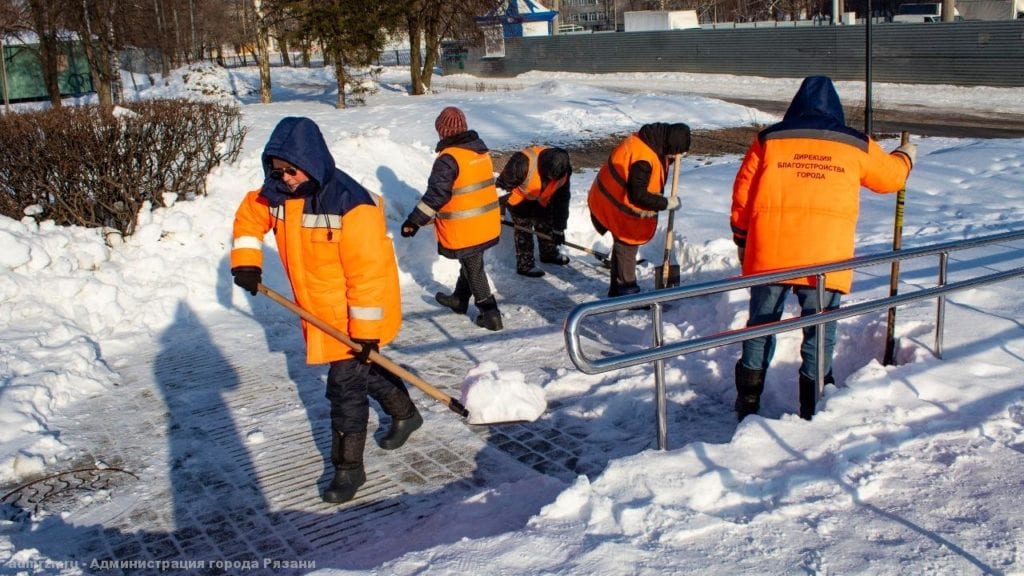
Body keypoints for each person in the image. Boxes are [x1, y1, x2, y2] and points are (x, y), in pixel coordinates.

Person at [230, 117, 422, 504]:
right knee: (364, 373)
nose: (285, 178)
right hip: (320, 311)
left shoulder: (353, 205)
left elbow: (366, 276)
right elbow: (249, 217)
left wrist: (365, 333)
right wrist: (246, 261)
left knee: (344, 390)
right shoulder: (278, 193)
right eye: (277, 170)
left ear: (311, 161)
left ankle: (348, 469)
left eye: (291, 170)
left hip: (361, 311)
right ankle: (405, 413)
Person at [730, 75, 917, 421]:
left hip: (771, 253)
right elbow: (891, 178)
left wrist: (742, 239)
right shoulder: (853, 143)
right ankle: (812, 410)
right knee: (819, 333)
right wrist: (905, 156)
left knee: (761, 326)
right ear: (836, 109)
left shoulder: (769, 139)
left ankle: (748, 403)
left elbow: (743, 194)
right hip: (825, 258)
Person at [401, 106, 504, 331]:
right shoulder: (478, 151)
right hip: (485, 221)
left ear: (443, 131)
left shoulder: (449, 159)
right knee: (471, 261)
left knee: (473, 266)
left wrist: (413, 222)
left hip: (465, 225)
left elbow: (436, 195)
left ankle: (490, 313)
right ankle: (459, 299)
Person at [587, 122, 691, 296]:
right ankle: (626, 292)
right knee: (627, 243)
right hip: (616, 204)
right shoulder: (643, 159)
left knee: (624, 246)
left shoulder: (651, 141)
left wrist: (672, 156)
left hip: (611, 197)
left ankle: (617, 290)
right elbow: (638, 195)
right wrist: (665, 203)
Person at [495, 145, 572, 277]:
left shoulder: (564, 170)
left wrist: (559, 227)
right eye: (548, 177)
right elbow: (501, 188)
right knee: (524, 228)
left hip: (542, 199)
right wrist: (500, 213)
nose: (550, 181)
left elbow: (562, 199)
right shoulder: (523, 162)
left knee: (547, 222)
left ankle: (549, 253)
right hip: (519, 198)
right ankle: (525, 264)